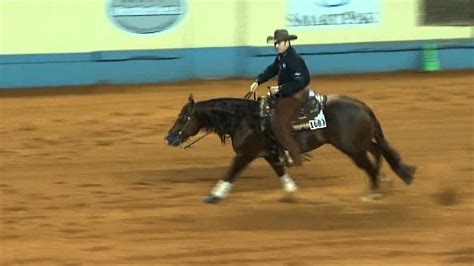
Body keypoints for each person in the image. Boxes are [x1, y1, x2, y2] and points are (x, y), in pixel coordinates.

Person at [249, 29, 311, 166]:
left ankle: (295, 157)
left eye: (279, 43)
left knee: (278, 123)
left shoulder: (295, 60)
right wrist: (258, 81)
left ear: (287, 42)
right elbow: (271, 70)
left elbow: (303, 81)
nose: (277, 45)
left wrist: (280, 89)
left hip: (296, 94)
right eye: (275, 43)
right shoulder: (281, 57)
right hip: (286, 92)